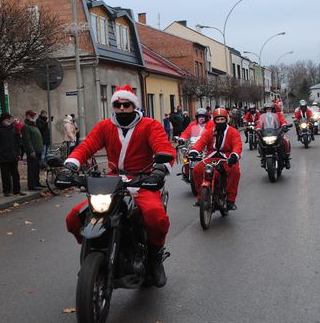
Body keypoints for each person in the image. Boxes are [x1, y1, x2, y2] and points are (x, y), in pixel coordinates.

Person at [63, 85, 175, 287]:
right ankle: (95, 250)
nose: (122, 108)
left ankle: (154, 258)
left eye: (126, 104)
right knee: (73, 217)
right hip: (112, 181)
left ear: (134, 105)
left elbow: (163, 148)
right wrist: (70, 167)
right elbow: (87, 146)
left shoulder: (150, 125)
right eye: (117, 104)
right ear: (113, 106)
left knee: (155, 216)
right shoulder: (105, 126)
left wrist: (158, 171)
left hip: (143, 180)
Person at [188, 108, 242, 211]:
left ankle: (230, 200)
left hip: (227, 158)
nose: (220, 122)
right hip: (211, 157)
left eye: (222, 119)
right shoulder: (209, 132)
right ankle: (201, 198)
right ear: (214, 120)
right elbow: (201, 142)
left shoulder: (233, 131)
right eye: (218, 120)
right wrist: (194, 151)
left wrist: (234, 155)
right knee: (197, 169)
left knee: (234, 171)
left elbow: (237, 144)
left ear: (226, 120)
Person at [0, 112, 25, 197]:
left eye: (9, 119)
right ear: (3, 120)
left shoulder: (12, 128)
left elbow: (17, 141)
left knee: (15, 175)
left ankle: (17, 190)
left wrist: (19, 153)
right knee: (5, 175)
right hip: (3, 156)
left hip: (13, 155)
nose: (9, 120)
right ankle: (7, 191)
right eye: (7, 119)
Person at [256, 102, 291, 168]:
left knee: (285, 141)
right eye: (267, 109)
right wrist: (257, 128)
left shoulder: (278, 115)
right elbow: (259, 123)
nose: (268, 110)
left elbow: (283, 120)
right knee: (260, 142)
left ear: (273, 109)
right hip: (266, 133)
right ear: (265, 109)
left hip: (277, 132)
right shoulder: (262, 117)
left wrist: (284, 125)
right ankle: (263, 158)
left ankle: (286, 159)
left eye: (270, 109)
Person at [22, 110, 45, 191]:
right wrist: (31, 151)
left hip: (38, 150)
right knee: (32, 169)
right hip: (33, 151)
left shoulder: (33, 125)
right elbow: (27, 140)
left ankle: (37, 183)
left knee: (37, 168)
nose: (33, 117)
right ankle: (32, 185)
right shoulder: (26, 127)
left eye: (34, 116)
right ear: (27, 116)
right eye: (32, 116)